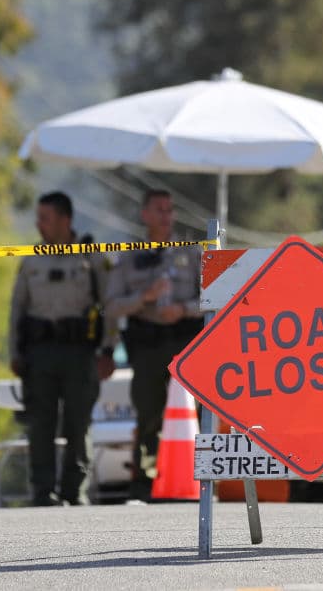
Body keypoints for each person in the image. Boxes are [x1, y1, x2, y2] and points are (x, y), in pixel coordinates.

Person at [9, 191, 116, 506]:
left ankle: (73, 489)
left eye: (45, 218)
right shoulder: (31, 259)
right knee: (40, 422)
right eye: (38, 218)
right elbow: (17, 309)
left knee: (77, 422)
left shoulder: (91, 257)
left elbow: (110, 306)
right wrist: (15, 352)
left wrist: (108, 350)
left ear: (65, 220)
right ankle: (42, 491)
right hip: (39, 352)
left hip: (79, 352)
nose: (39, 224)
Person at [105, 189, 204, 502]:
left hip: (184, 343)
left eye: (170, 209)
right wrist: (143, 297)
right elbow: (111, 306)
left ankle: (196, 479)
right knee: (148, 413)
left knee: (192, 413)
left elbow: (211, 299)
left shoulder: (191, 253)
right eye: (159, 209)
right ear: (144, 214)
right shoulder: (129, 256)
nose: (166, 215)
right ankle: (146, 482)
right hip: (147, 345)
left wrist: (183, 309)